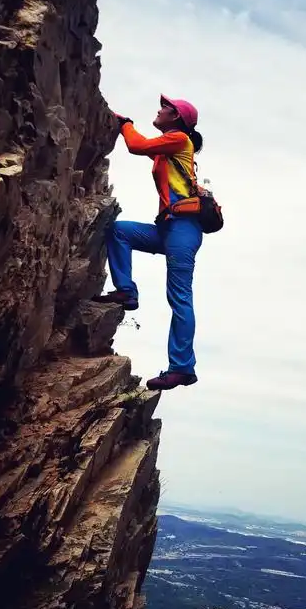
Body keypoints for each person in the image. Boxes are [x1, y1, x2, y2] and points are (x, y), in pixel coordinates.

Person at [94, 95, 203, 392]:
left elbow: (136, 145)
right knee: (119, 231)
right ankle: (126, 292)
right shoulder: (169, 147)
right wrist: (122, 125)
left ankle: (182, 368)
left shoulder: (179, 139)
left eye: (165, 108)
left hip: (183, 229)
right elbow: (144, 147)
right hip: (168, 228)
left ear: (176, 117)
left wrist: (125, 124)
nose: (159, 109)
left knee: (179, 297)